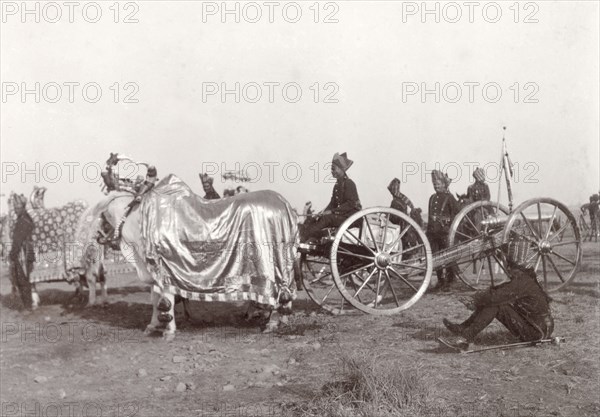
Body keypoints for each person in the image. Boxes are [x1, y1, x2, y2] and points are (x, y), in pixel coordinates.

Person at [438, 238, 554, 351]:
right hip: (539, 326)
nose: (505, 266)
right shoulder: (525, 276)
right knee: (493, 300)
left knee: (495, 304)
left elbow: (495, 297)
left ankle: (464, 338)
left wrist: (475, 299)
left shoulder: (521, 281)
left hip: (537, 332)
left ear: (511, 263)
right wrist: (478, 297)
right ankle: (463, 329)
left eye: (507, 261)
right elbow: (498, 291)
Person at [299, 152, 361, 242]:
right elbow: (332, 204)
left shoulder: (349, 183)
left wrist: (332, 211)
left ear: (341, 169)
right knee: (316, 218)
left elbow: (350, 204)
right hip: (341, 217)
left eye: (333, 169)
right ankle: (305, 234)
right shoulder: (337, 186)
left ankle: (304, 237)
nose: (331, 171)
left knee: (327, 219)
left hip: (351, 218)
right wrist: (321, 213)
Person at [427, 170, 460, 292]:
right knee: (436, 257)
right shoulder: (432, 198)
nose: (436, 186)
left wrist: (447, 222)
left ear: (444, 185)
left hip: (445, 233)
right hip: (433, 233)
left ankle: (451, 280)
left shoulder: (450, 198)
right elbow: (430, 216)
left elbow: (457, 215)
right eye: (434, 184)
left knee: (449, 256)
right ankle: (441, 281)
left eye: (438, 184)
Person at [111, 166, 159, 241]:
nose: (139, 180)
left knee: (128, 210)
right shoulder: (144, 184)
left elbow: (139, 194)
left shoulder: (147, 184)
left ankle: (119, 230)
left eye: (140, 179)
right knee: (127, 212)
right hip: (142, 197)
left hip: (144, 199)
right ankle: (119, 230)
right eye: (139, 179)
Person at [9, 194, 36, 311]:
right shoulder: (26, 218)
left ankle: (28, 307)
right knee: (24, 280)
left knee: (22, 280)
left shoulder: (22, 221)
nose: (15, 210)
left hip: (22, 255)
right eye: (14, 208)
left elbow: (17, 240)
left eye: (17, 208)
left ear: (23, 208)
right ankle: (28, 305)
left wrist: (12, 254)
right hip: (26, 252)